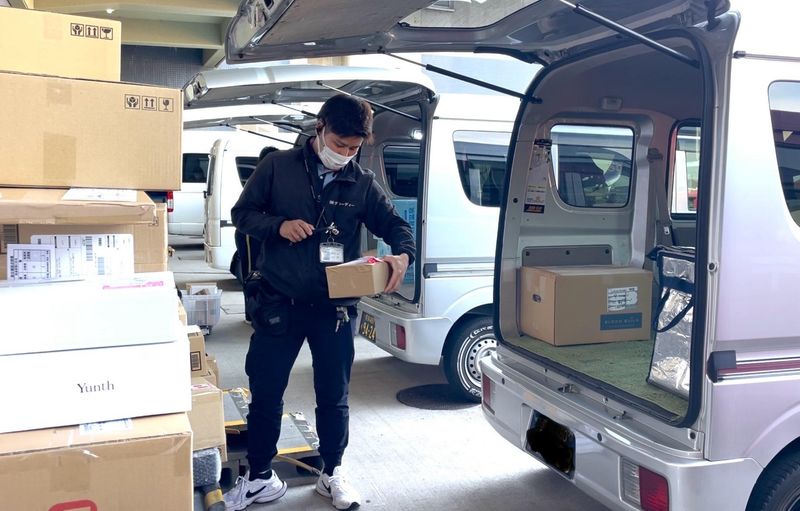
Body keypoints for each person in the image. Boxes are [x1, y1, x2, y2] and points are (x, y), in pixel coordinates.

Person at [224, 94, 415, 511]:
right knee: (266, 392)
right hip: (279, 302)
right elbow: (243, 214)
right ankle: (260, 477)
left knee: (334, 395)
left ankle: (332, 472)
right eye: (339, 144)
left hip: (335, 310)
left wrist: (403, 254)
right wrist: (278, 226)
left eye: (353, 148)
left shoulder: (361, 182)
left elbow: (395, 225)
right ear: (320, 129)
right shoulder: (277, 167)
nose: (344, 155)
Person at [234, 145, 280, 324]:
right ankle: (250, 314)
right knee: (252, 272)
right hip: (249, 234)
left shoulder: (278, 179)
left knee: (265, 272)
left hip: (265, 233)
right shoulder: (259, 179)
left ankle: (261, 311)